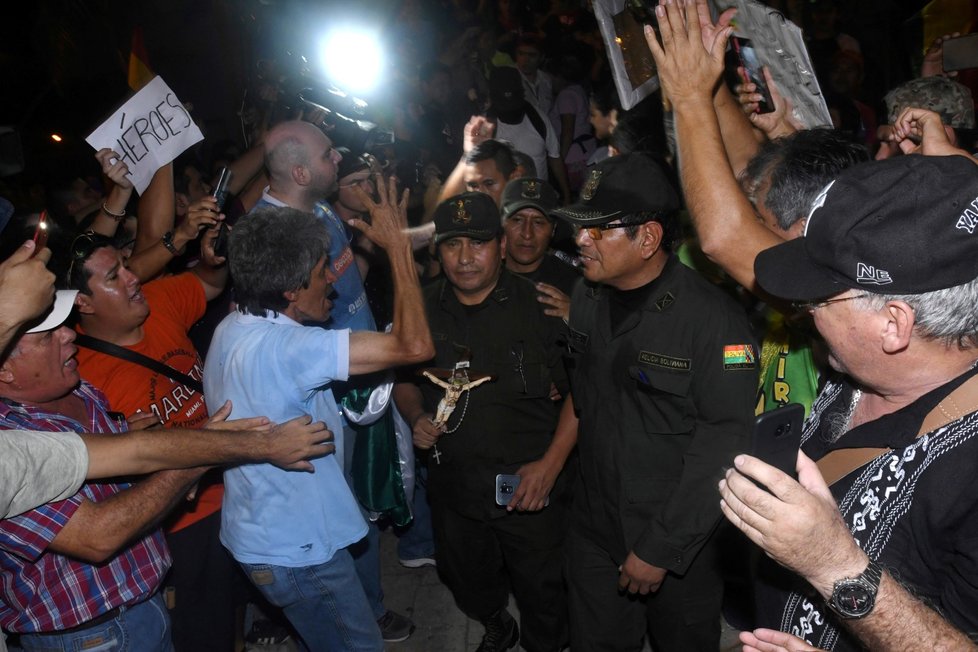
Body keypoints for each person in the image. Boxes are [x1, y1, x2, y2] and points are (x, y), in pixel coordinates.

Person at [719, 152, 978, 651]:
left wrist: (831, 562)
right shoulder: (856, 366)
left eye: (819, 299)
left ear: (894, 324)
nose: (806, 313)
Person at [204, 178, 433, 651]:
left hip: (260, 536)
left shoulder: (232, 326)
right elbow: (415, 347)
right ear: (290, 289)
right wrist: (399, 252)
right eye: (319, 271)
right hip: (300, 554)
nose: (331, 278)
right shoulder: (293, 347)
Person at [552, 152, 758, 651]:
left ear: (648, 238)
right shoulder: (586, 294)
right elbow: (586, 396)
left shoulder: (714, 322)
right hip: (595, 526)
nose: (581, 240)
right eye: (581, 228)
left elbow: (722, 443)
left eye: (599, 230)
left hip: (678, 539)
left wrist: (660, 548)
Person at [644, 0, 869, 418]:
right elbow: (753, 174)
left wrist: (689, 97)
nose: (754, 229)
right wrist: (714, 88)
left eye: (760, 223)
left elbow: (724, 237)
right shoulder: (848, 223)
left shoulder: (838, 287)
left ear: (805, 227)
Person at [249, 119, 416, 642]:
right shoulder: (267, 237)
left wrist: (374, 242)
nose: (338, 160)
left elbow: (344, 287)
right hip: (323, 396)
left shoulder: (321, 211)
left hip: (362, 376)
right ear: (299, 170)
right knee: (340, 507)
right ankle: (359, 611)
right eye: (328, 155)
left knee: (364, 498)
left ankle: (367, 604)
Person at [394, 192, 573, 652]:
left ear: (500, 245)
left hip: (526, 482)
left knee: (543, 590)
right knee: (465, 577)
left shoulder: (542, 306)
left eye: (478, 244)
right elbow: (403, 380)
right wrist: (415, 415)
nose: (466, 258)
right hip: (454, 484)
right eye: (453, 245)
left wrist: (550, 466)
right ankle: (496, 621)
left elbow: (583, 394)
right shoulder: (422, 309)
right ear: (438, 250)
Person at [65, 221, 234, 651]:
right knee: (197, 630)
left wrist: (213, 263)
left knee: (230, 613)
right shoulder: (78, 375)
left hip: (234, 484)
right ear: (83, 302)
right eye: (114, 277)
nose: (133, 277)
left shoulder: (159, 300)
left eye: (125, 265)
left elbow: (209, 286)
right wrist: (118, 436)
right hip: (176, 521)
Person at [499, 177, 579, 321]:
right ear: (502, 224)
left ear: (553, 229)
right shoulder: (478, 276)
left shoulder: (574, 286)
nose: (527, 233)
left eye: (538, 222)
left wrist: (578, 321)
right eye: (517, 220)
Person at [488, 66, 571, 202]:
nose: (511, 113)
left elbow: (555, 157)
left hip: (540, 201)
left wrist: (567, 197)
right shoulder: (485, 127)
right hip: (505, 206)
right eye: (505, 108)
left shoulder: (537, 118)